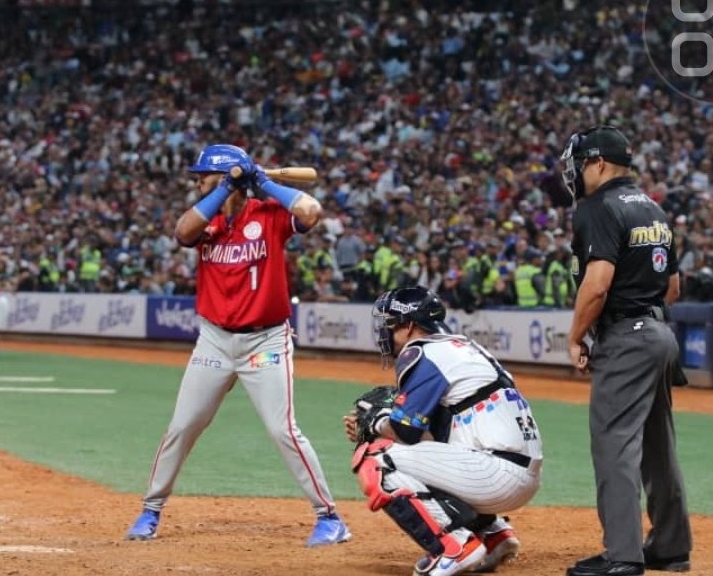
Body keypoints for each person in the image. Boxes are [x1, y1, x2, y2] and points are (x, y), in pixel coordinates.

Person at [126, 144, 350, 546]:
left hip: (264, 341)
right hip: (214, 341)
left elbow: (312, 212)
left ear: (225, 175)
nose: (196, 182)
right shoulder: (206, 222)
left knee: (283, 430)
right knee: (183, 426)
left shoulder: (267, 215)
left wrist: (260, 181)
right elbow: (181, 232)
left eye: (202, 176)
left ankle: (329, 517)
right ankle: (150, 510)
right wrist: (224, 186)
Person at [560, 125, 692, 576]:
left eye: (580, 164)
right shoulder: (652, 207)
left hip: (627, 339)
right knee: (658, 447)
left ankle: (622, 556)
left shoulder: (597, 207)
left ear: (597, 163)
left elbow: (596, 286)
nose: (576, 173)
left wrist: (577, 336)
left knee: (615, 446)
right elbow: (672, 287)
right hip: (659, 333)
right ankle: (671, 548)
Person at [342, 286, 542, 576]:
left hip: (495, 475)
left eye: (390, 323)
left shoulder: (422, 352)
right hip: (520, 473)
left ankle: (455, 548)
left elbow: (406, 432)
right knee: (420, 449)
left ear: (409, 325)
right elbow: (433, 429)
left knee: (376, 459)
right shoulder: (463, 347)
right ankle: (493, 533)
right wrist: (380, 422)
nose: (385, 332)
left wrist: (371, 423)